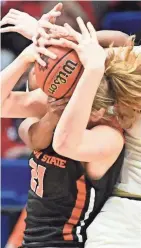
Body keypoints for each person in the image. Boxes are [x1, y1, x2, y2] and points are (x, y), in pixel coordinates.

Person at [17, 18, 141, 248]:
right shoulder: (60, 110)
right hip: (122, 215)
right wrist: (52, 41)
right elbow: (122, 44)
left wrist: (56, 39)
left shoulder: (108, 135)